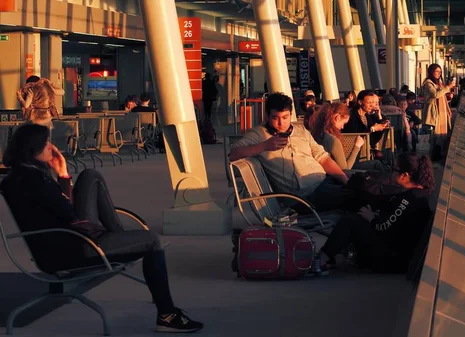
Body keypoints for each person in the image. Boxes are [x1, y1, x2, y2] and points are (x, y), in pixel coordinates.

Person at [0, 124, 204, 333]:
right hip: (71, 249)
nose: (51, 147)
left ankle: (118, 237)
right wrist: (62, 176)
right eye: (45, 143)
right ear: (33, 149)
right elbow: (69, 212)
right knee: (152, 241)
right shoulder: (33, 180)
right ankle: (167, 315)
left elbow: (61, 211)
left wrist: (61, 176)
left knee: (90, 176)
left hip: (66, 241)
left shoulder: (22, 176)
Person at [229, 93, 351, 212]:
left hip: (324, 182)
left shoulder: (301, 131)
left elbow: (323, 158)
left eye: (285, 117)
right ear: (267, 116)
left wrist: (345, 179)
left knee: (362, 186)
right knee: (357, 198)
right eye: (275, 118)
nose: (281, 123)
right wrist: (265, 146)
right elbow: (233, 154)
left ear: (291, 115)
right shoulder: (259, 134)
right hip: (304, 197)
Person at [315, 153, 435, 273]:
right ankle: (333, 256)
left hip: (393, 261)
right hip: (402, 253)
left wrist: (371, 218)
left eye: (395, 170)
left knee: (350, 222)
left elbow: (384, 227)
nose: (391, 173)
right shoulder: (420, 193)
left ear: (405, 175)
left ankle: (321, 261)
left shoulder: (408, 198)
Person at [310, 102, 366, 170]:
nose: (342, 127)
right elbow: (345, 169)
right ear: (337, 118)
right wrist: (357, 146)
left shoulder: (315, 133)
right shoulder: (333, 141)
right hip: (334, 177)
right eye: (343, 123)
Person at [343, 90, 390, 159]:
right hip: (355, 151)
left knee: (389, 153)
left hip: (367, 148)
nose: (372, 105)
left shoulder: (369, 116)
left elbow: (373, 140)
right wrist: (373, 129)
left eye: (373, 103)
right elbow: (355, 134)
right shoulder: (352, 116)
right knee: (379, 159)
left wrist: (379, 116)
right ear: (360, 102)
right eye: (369, 103)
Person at [422, 64, 455, 161]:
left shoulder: (439, 84)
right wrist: (448, 87)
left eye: (440, 72)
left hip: (439, 114)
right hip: (432, 115)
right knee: (433, 139)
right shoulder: (428, 84)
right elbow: (436, 95)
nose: (438, 74)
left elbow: (441, 97)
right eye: (436, 71)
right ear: (431, 72)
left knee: (438, 139)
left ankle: (437, 156)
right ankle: (431, 160)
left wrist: (448, 97)